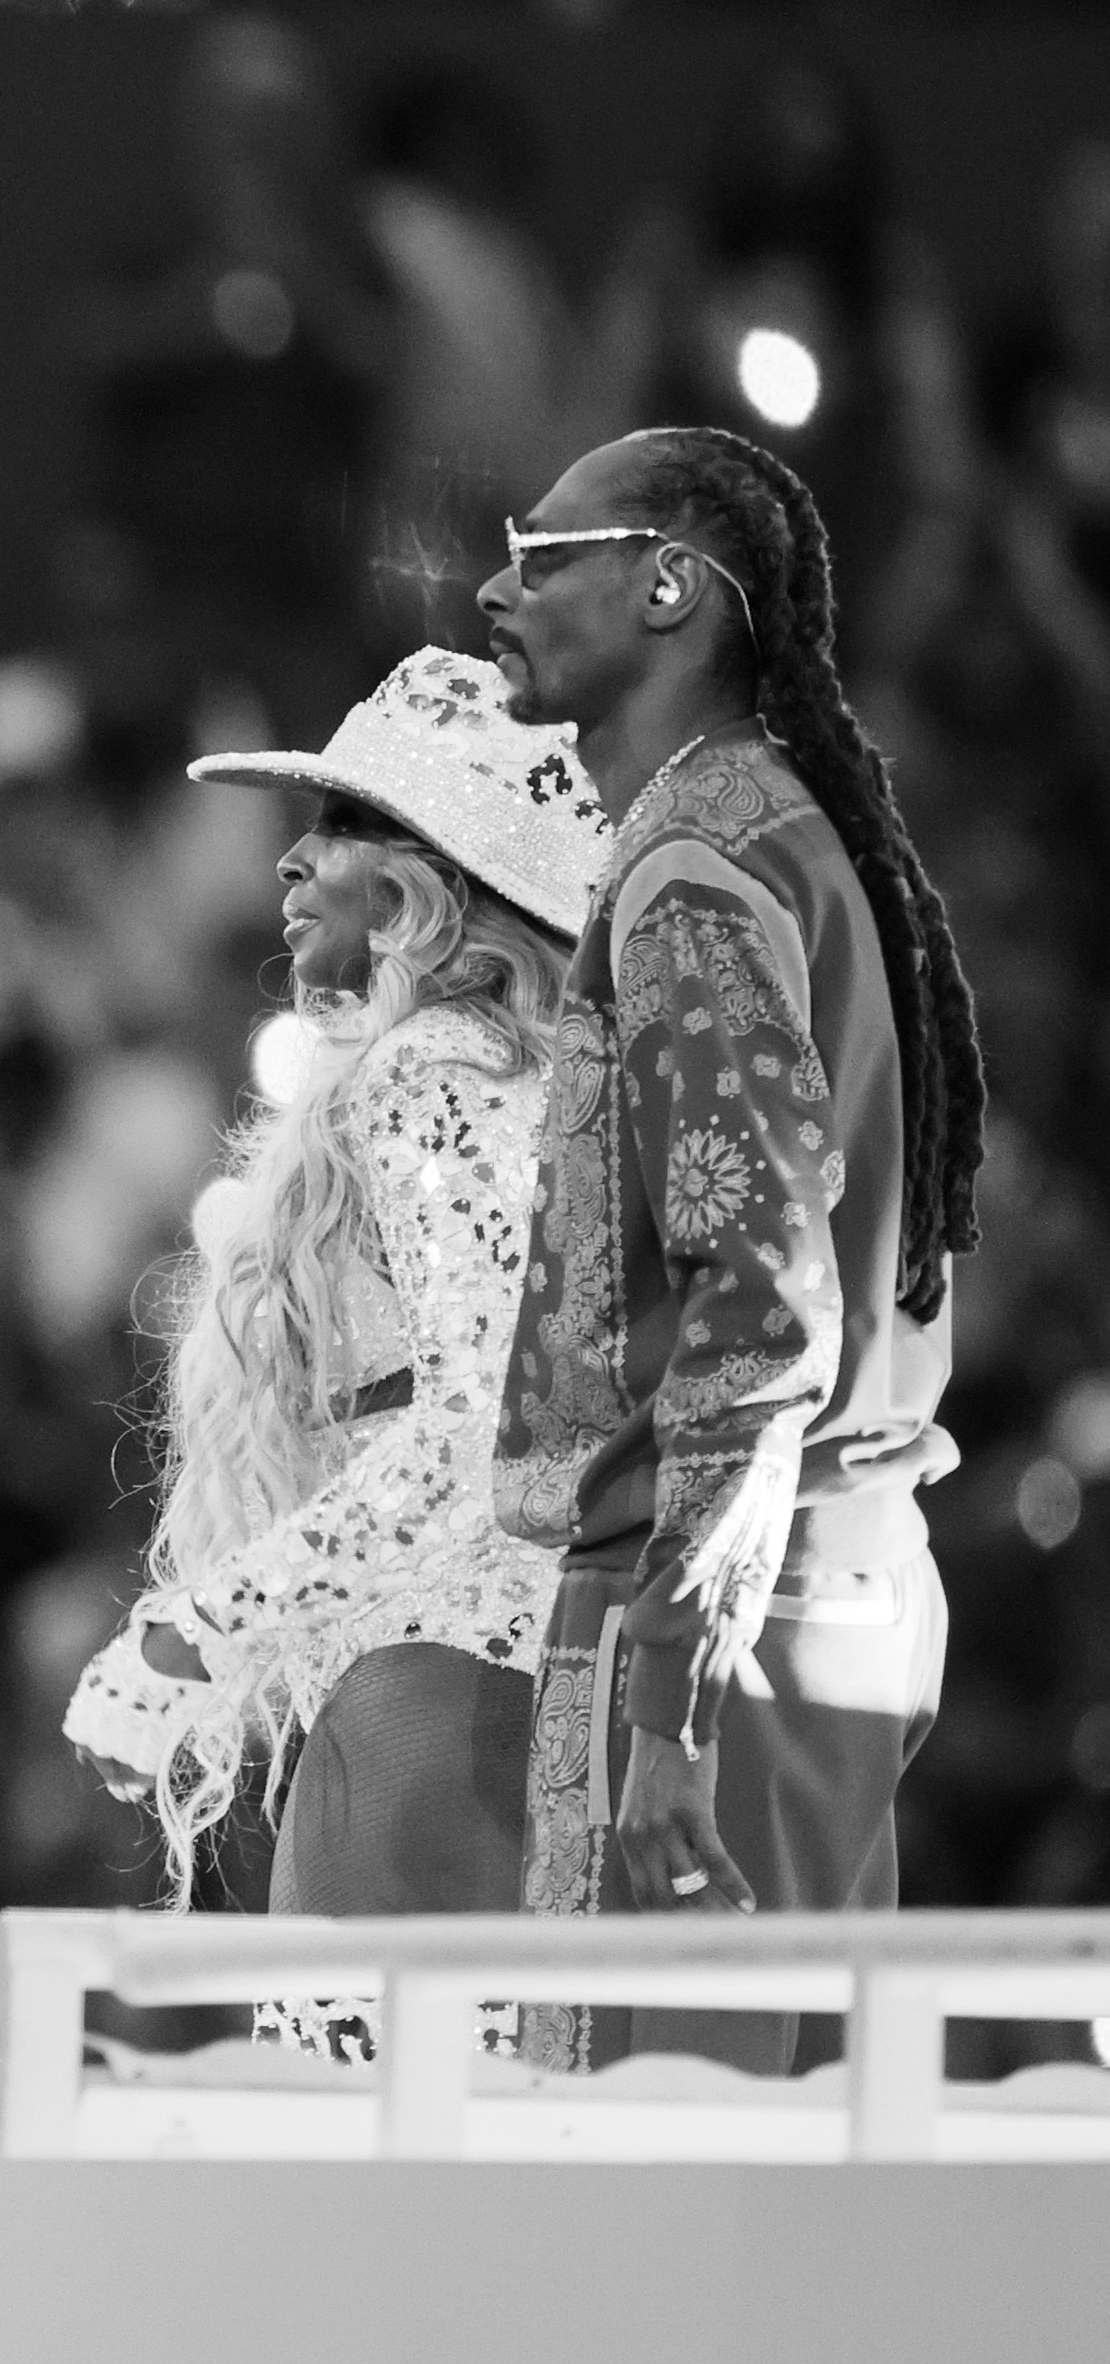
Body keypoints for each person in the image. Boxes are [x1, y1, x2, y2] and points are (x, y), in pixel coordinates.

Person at [479, 425, 981, 2074]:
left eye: (546, 555)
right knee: (766, 2195)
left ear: (671, 585)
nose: (500, 586)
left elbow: (761, 1311)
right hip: (824, 1591)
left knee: (662, 2218)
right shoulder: (781, 837)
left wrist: (674, 1701)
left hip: (728, 1641)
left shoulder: (698, 869)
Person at [66, 650, 609, 2051]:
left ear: (432, 880)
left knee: (383, 2210)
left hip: (433, 1708)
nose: (295, 861)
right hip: (488, 1699)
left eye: (347, 826)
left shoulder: (430, 1076)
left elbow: (473, 1438)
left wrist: (191, 1633)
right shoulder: (520, 1081)